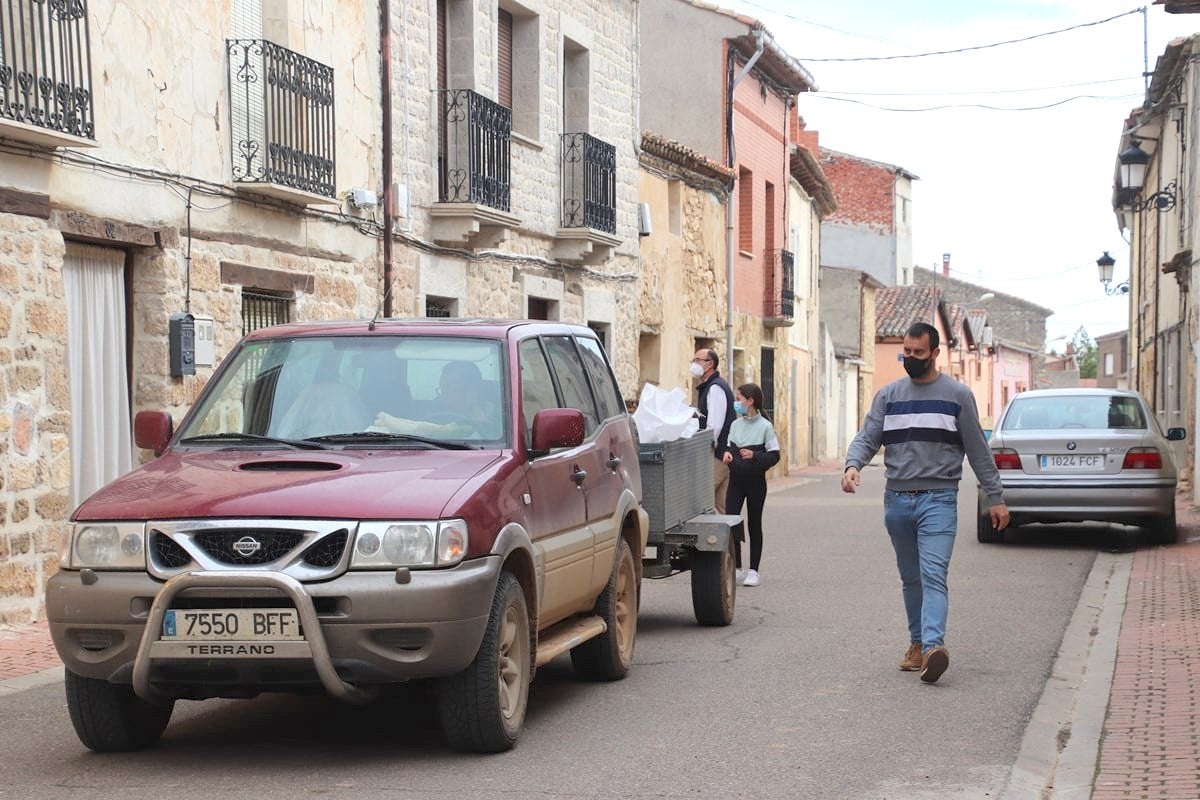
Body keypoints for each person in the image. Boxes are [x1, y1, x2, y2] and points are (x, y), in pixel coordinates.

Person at [841, 322, 1009, 684]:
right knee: (910, 577)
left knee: (934, 574)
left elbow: (978, 451)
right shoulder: (889, 395)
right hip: (897, 500)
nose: (911, 358)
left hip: (939, 499)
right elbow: (868, 436)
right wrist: (853, 465)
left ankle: (934, 647)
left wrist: (995, 498)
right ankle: (916, 644)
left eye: (919, 353)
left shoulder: (958, 396)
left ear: (935, 353)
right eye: (907, 352)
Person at [722, 383, 780, 587]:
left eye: (739, 399)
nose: (736, 403)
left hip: (756, 482)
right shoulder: (735, 425)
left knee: (754, 524)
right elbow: (728, 447)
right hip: (736, 481)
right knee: (732, 521)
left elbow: (774, 456)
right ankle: (737, 567)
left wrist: (755, 455)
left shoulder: (765, 426)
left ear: (750, 401)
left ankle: (754, 570)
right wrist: (727, 454)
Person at [374, 360, 497, 438]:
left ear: (470, 391)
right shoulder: (432, 411)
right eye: (442, 389)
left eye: (450, 389)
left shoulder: (498, 417)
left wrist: (474, 408)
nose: (443, 396)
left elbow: (488, 439)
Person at [692, 348, 735, 514]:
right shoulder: (711, 386)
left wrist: (706, 450)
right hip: (720, 453)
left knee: (702, 496)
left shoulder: (715, 388)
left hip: (717, 454)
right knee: (720, 504)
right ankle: (730, 539)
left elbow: (714, 425)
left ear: (709, 364)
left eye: (697, 360)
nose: (694, 364)